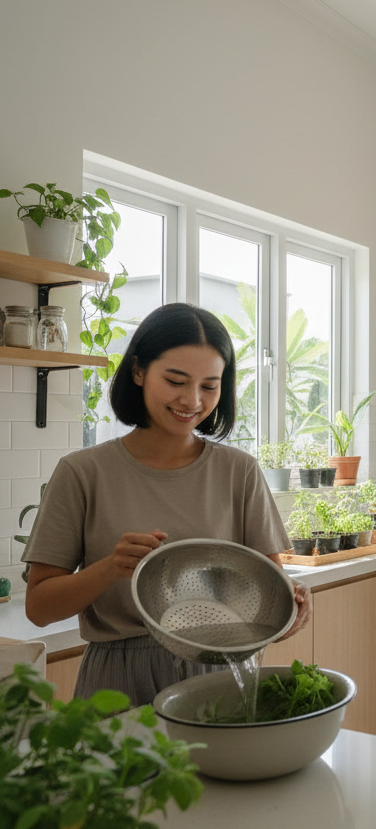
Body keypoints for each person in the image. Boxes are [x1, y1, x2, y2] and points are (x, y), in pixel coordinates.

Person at [22, 303, 311, 707]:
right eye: (176, 380)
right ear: (139, 371)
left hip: (221, 672)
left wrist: (290, 610)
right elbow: (39, 607)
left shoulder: (239, 471)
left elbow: (267, 596)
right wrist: (109, 568)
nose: (192, 400)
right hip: (117, 678)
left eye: (210, 386)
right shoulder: (82, 472)